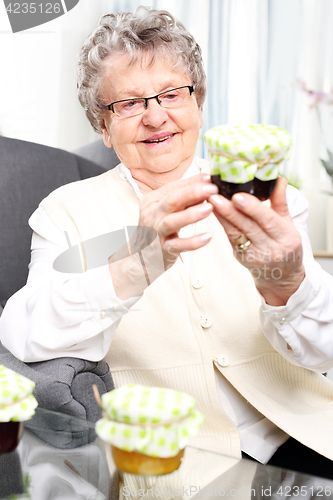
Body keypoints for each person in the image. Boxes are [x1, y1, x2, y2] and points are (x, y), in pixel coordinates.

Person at [1, 6, 333, 479]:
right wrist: (135, 264)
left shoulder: (271, 200)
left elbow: (323, 352)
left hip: (306, 431)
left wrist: (286, 282)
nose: (156, 117)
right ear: (103, 127)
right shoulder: (67, 212)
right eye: (130, 103)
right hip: (168, 456)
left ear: (198, 103)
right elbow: (24, 333)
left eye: (173, 94)